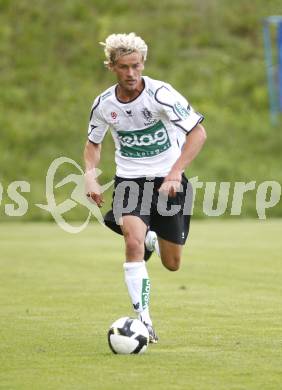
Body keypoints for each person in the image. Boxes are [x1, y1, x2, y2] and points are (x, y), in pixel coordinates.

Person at [84, 32, 207, 343]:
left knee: (172, 263)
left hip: (168, 183)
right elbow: (93, 143)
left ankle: (155, 239)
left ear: (143, 64)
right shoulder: (104, 104)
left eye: (136, 66)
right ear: (111, 66)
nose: (131, 74)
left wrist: (175, 172)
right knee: (131, 241)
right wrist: (90, 174)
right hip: (130, 181)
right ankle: (144, 320)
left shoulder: (161, 94)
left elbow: (198, 134)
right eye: (124, 67)